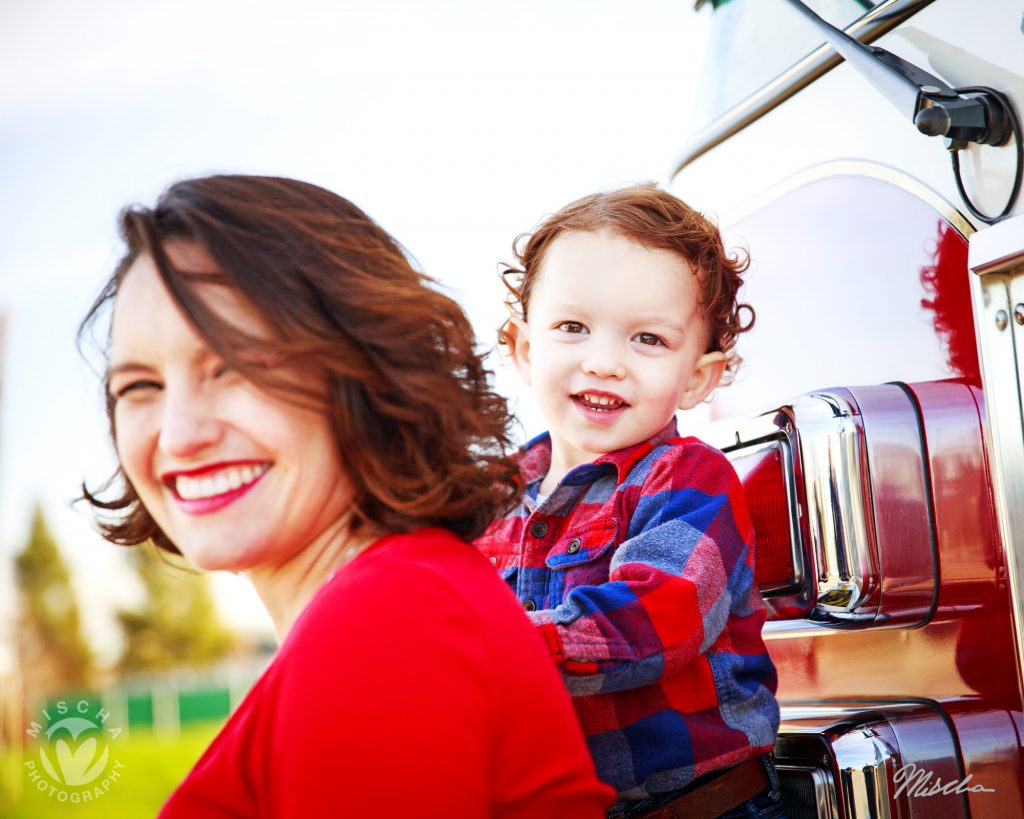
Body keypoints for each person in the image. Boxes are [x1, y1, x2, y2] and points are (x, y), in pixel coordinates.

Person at [79, 174, 614, 818]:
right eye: (139, 386)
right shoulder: (389, 605)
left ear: (363, 371)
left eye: (235, 365)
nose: (181, 434)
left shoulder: (386, 618)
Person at [475, 184, 785, 818]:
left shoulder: (687, 479)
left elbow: (662, 618)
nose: (606, 362)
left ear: (697, 377)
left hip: (704, 806)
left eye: (647, 339)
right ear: (524, 348)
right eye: (572, 328)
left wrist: (494, 651)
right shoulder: (481, 506)